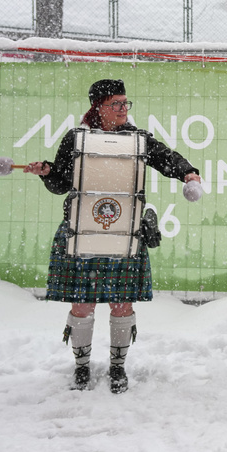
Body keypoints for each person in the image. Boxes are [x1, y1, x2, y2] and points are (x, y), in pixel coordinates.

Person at [24, 79, 201, 393]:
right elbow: (62, 184)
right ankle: (81, 367)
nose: (123, 109)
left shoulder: (137, 139)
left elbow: (166, 158)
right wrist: (48, 172)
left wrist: (188, 172)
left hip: (124, 231)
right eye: (115, 104)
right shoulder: (77, 139)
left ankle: (118, 367)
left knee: (122, 304)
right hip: (82, 229)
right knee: (83, 305)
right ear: (98, 108)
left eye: (125, 103)